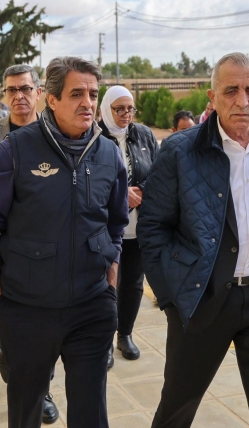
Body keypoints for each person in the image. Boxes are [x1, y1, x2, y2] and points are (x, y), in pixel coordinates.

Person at [139, 53, 249, 427]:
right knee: (177, 408)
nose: (242, 101)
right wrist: (171, 297)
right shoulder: (180, 151)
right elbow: (153, 228)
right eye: (231, 90)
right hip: (203, 299)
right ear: (212, 97)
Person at [0, 56, 128, 428]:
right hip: (27, 309)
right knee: (25, 411)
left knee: (91, 414)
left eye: (93, 94)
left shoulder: (108, 153)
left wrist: (110, 284)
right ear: (52, 99)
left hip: (92, 307)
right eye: (77, 94)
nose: (88, 103)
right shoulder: (15, 150)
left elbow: (116, 223)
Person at [0, 64, 59, 424]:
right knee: (12, 330)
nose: (19, 96)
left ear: (39, 92)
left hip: (48, 252)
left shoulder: (56, 131)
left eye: (25, 89)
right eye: (11, 90)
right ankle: (18, 376)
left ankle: (43, 391)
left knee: (47, 332)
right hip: (5, 252)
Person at [99, 85, 158, 365]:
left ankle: (125, 334)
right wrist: (121, 195)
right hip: (105, 228)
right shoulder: (93, 136)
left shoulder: (144, 135)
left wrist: (142, 190)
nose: (126, 114)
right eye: (119, 109)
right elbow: (88, 180)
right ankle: (104, 342)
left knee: (133, 283)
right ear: (106, 109)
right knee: (105, 284)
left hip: (138, 226)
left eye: (130, 109)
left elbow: (158, 171)